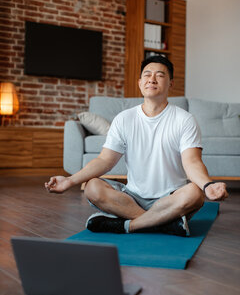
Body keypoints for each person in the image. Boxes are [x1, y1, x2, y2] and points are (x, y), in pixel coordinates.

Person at [45, 55, 228, 236]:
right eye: (147, 75)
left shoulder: (185, 120)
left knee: (195, 194)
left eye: (160, 75)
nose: (152, 79)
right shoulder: (124, 119)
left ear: (170, 84)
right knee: (92, 187)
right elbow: (104, 160)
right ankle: (163, 223)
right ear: (140, 83)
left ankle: (128, 226)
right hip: (132, 198)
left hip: (171, 198)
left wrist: (207, 185)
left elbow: (192, 162)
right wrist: (69, 180)